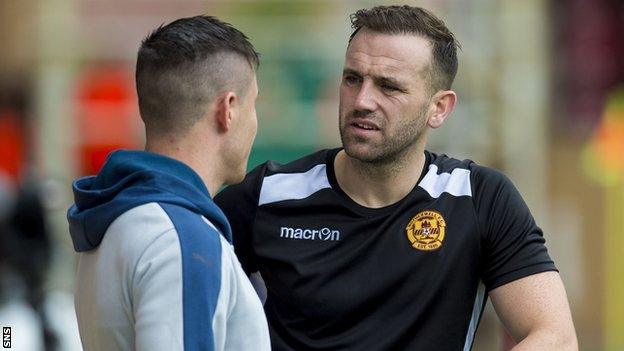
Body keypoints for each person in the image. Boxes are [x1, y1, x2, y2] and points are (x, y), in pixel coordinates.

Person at [215, 5, 578, 351]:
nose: (362, 100)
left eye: (388, 86)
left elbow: (554, 337)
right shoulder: (268, 195)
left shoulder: (479, 198)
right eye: (352, 79)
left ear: (439, 108)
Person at [67, 16, 270, 351]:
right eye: (254, 104)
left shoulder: (116, 217)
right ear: (229, 109)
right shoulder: (182, 238)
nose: (255, 122)